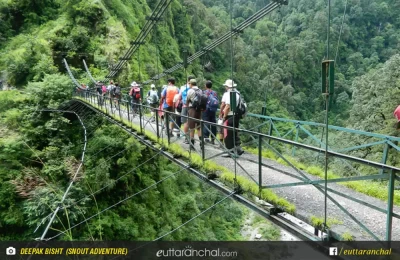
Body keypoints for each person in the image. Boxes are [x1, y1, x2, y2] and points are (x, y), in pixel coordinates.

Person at [221, 79, 244, 157]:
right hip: (236, 116)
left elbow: (227, 106)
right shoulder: (237, 94)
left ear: (227, 87)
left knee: (228, 135)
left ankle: (230, 152)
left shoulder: (229, 94)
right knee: (234, 133)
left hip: (230, 116)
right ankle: (237, 149)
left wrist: (224, 116)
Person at [186, 79, 203, 148]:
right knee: (198, 127)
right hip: (199, 111)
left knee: (191, 127)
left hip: (192, 109)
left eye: (189, 83)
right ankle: (201, 143)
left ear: (191, 84)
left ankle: (192, 144)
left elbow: (187, 100)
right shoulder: (200, 90)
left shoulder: (190, 91)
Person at [202, 80, 218, 144]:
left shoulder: (204, 92)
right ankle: (213, 139)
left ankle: (206, 138)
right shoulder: (214, 92)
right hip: (213, 110)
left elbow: (202, 100)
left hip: (205, 110)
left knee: (206, 122)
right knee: (213, 123)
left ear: (205, 86)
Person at [180, 76, 195, 143]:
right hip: (193, 107)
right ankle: (192, 139)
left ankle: (186, 138)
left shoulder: (183, 87)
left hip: (185, 106)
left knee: (185, 123)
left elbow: (179, 96)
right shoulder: (195, 88)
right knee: (192, 123)